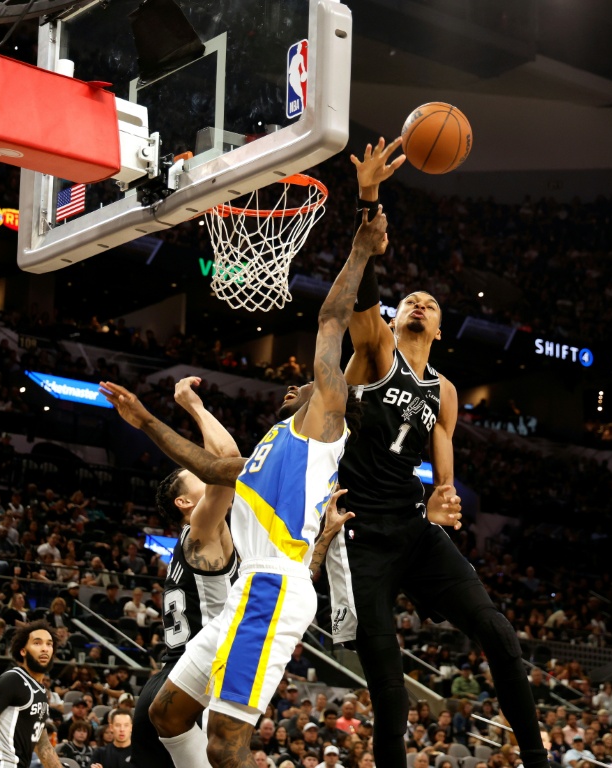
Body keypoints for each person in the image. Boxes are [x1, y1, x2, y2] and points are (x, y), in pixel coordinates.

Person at [100, 210, 435, 768]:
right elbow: (211, 466)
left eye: (304, 384)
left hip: (272, 591)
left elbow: (331, 319)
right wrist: (145, 422)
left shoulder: (325, 422)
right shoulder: (272, 445)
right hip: (250, 592)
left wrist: (359, 250)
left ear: (324, 391)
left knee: (226, 744)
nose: (291, 388)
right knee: (166, 715)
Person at [324, 137, 547, 768]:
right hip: (361, 534)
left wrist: (443, 500)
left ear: (441, 328)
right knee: (390, 699)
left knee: (500, 636)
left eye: (432, 303)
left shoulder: (444, 392)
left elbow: (443, 468)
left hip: (412, 528)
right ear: (396, 319)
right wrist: (369, 198)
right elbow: (363, 293)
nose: (419, 302)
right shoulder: (374, 352)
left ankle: (537, 759)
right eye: (410, 300)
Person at [129, 375, 241, 768]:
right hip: (191, 685)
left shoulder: (213, 534)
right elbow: (226, 460)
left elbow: (218, 463)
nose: (204, 469)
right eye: (197, 475)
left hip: (177, 679)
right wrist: (193, 406)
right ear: (183, 501)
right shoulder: (201, 533)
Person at [0, 619, 62, 768]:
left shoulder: (40, 690)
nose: (45, 648)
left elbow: (43, 745)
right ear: (23, 651)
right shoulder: (12, 679)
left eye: (49, 644)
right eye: (37, 643)